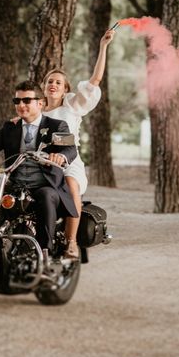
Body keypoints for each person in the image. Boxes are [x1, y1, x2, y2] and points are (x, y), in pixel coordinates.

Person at [0, 80, 77, 253]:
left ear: (40, 103)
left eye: (26, 100)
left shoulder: (55, 126)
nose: (21, 105)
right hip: (15, 185)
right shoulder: (11, 127)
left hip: (44, 184)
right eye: (17, 101)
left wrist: (60, 156)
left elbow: (70, 148)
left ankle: (45, 250)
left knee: (46, 196)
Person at [42, 28, 115, 259]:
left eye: (58, 82)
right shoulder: (35, 110)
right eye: (49, 81)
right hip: (41, 162)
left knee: (72, 185)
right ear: (44, 86)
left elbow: (95, 80)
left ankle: (71, 242)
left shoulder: (72, 104)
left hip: (68, 161)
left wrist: (103, 46)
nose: (53, 84)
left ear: (66, 89)